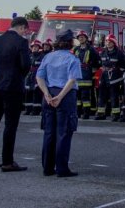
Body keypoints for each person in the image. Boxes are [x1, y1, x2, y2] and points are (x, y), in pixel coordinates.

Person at [0, 16, 31, 172]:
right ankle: (7, 161)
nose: (25, 33)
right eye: (25, 30)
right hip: (12, 86)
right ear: (22, 27)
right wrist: (19, 76)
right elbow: (25, 65)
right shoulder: (21, 42)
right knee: (10, 124)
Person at [35, 30, 81, 177]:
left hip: (49, 94)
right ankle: (61, 168)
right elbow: (72, 80)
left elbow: (39, 77)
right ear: (70, 43)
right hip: (65, 96)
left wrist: (47, 94)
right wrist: (60, 96)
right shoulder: (72, 59)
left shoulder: (48, 57)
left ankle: (47, 167)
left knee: (49, 132)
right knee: (64, 132)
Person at [95, 35, 125, 121]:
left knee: (114, 96)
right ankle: (101, 113)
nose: (108, 43)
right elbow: (99, 63)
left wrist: (117, 73)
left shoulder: (119, 53)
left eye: (110, 42)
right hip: (104, 76)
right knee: (101, 95)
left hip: (115, 77)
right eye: (106, 41)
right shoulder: (103, 52)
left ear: (114, 43)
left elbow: (123, 66)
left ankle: (115, 114)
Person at [73, 30, 100, 119]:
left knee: (85, 97)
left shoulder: (91, 49)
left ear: (86, 38)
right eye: (79, 37)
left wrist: (93, 70)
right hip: (77, 75)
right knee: (77, 97)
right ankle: (77, 112)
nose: (81, 38)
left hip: (86, 75)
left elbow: (97, 61)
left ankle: (86, 113)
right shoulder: (75, 49)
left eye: (82, 37)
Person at [24, 40, 45, 116]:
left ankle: (36, 110)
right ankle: (28, 109)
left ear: (39, 48)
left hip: (37, 76)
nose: (34, 48)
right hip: (29, 76)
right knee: (28, 93)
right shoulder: (29, 55)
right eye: (33, 47)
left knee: (36, 94)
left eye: (36, 47)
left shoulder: (42, 56)